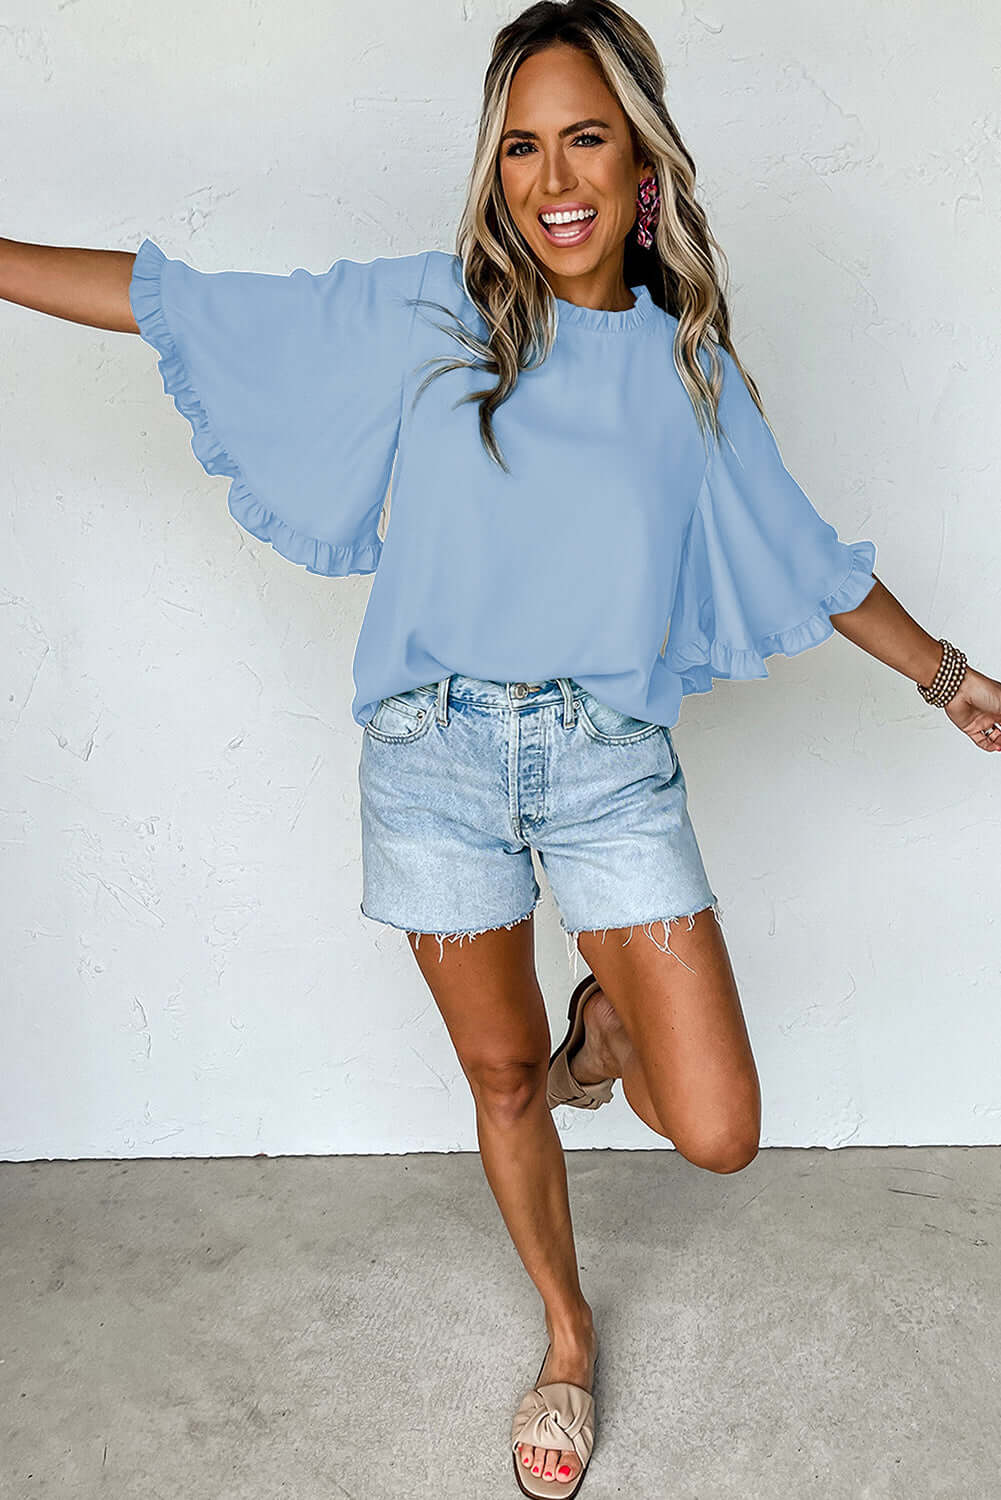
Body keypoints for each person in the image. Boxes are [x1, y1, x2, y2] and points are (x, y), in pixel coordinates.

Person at [4, 1, 998, 1493]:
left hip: (605, 762)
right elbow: (181, 302)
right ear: (494, 170)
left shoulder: (689, 375)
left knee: (716, 1129)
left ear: (642, 167)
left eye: (584, 136)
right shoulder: (432, 318)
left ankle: (603, 1025)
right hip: (433, 754)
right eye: (521, 145)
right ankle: (564, 1334)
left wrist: (950, 681)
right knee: (498, 1077)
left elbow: (806, 556)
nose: (551, 177)